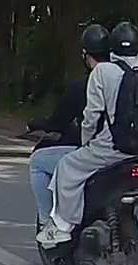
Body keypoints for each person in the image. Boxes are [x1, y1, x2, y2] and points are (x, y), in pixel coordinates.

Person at [38, 21, 138, 246]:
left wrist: (86, 145)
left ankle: (63, 226)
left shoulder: (104, 71)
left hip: (112, 148)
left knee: (66, 166)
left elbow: (91, 116)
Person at [26, 65, 91, 226]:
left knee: (37, 161)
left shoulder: (89, 84)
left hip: (100, 152)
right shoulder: (137, 82)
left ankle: (48, 224)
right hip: (137, 155)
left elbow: (59, 122)